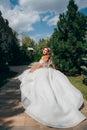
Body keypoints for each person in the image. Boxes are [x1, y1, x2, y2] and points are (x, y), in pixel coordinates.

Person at [17, 47, 86, 128]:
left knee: (42, 89)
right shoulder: (50, 58)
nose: (44, 51)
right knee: (54, 89)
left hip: (44, 73)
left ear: (48, 52)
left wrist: (33, 70)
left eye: (45, 50)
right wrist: (55, 71)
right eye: (43, 49)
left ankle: (46, 106)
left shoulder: (44, 57)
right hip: (50, 72)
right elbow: (53, 65)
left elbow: (40, 65)